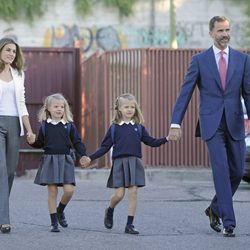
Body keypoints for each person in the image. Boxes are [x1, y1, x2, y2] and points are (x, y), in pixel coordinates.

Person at [168, 16, 250, 237]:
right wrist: (175, 122)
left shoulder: (243, 60)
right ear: (211, 33)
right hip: (211, 124)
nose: (225, 34)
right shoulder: (199, 60)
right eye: (221, 31)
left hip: (234, 123)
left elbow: (248, 94)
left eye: (228, 30)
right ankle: (229, 222)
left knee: (238, 171)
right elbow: (185, 93)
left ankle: (214, 208)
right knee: (221, 171)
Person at [81, 93, 168, 234]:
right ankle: (110, 209)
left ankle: (129, 225)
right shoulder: (114, 128)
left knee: (133, 192)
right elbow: (104, 147)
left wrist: (167, 138)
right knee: (119, 195)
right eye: (126, 107)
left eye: (132, 107)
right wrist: (90, 158)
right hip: (119, 163)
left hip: (135, 162)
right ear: (119, 109)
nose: (129, 109)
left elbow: (151, 141)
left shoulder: (139, 127)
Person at [27, 93, 90, 232]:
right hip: (50, 160)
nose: (59, 109)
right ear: (48, 108)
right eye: (56, 106)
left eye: (62, 106)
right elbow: (39, 143)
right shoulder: (45, 126)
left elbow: (77, 142)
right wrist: (31, 142)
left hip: (66, 160)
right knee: (52, 192)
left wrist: (84, 155)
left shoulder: (69, 126)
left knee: (69, 190)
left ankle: (60, 210)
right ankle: (54, 222)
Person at [0, 37, 34, 234]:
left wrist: (29, 129)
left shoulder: (19, 74)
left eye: (14, 51)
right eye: (8, 50)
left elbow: (22, 103)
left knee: (11, 170)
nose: (11, 54)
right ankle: (5, 219)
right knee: (1, 170)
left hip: (14, 124)